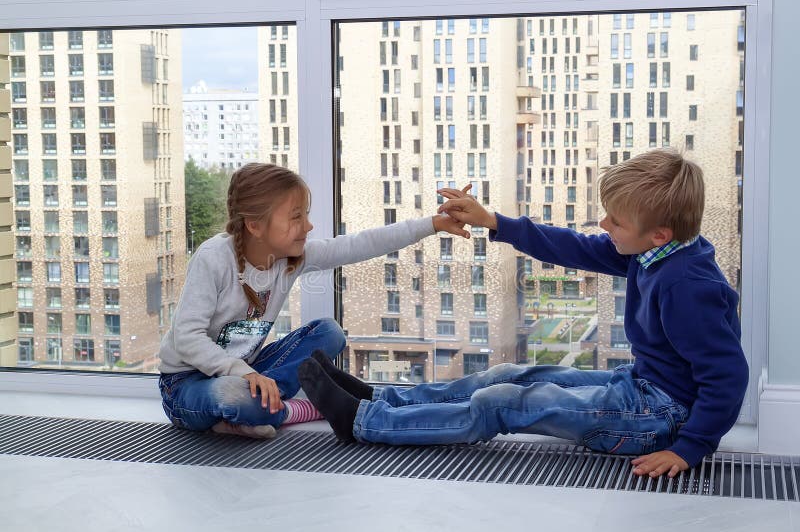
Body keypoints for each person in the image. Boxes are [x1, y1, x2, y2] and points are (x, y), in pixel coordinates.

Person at [299, 149, 749, 478]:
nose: (604, 226)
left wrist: (691, 448)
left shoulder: (687, 286)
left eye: (615, 221)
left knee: (503, 403)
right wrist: (494, 221)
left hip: (659, 420)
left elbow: (727, 376)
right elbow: (574, 246)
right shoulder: (656, 252)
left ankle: (364, 422)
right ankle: (382, 399)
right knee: (508, 374)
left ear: (659, 234)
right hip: (640, 387)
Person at [158, 163, 469, 438]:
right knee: (232, 396)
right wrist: (243, 374)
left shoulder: (291, 256)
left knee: (328, 332)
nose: (308, 226)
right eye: (296, 217)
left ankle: (257, 411)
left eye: (305, 215)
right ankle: (297, 410)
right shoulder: (213, 259)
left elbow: (360, 244)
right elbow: (187, 337)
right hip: (187, 384)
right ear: (254, 225)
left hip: (247, 373)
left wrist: (433, 224)